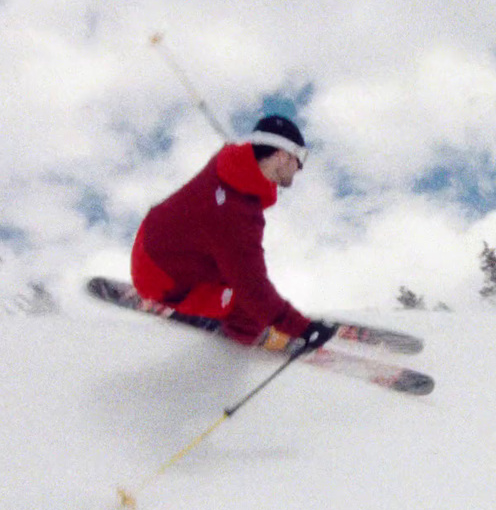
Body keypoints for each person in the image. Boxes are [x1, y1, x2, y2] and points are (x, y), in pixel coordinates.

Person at [130, 114, 340, 353]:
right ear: (281, 155)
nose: (299, 168)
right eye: (299, 158)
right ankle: (229, 352)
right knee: (248, 308)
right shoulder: (237, 212)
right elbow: (252, 289)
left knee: (235, 272)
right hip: (160, 277)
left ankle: (211, 307)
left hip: (160, 243)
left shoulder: (231, 164)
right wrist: (303, 328)